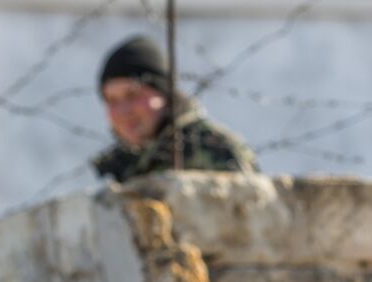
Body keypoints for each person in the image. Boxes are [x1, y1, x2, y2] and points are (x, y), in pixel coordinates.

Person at [92, 36, 257, 184]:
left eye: (133, 95)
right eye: (111, 100)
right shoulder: (122, 164)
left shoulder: (213, 148)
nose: (123, 111)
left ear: (164, 93)